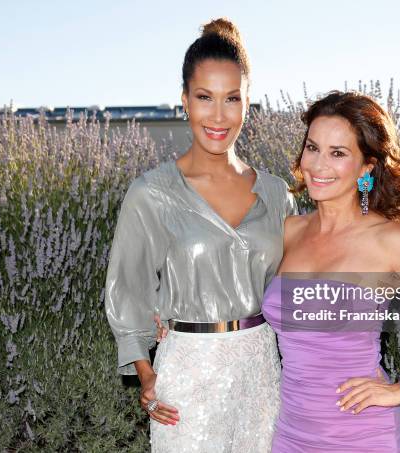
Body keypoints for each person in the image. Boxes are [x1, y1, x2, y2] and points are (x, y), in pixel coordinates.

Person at [104, 18, 297, 453]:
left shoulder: (277, 194)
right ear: (185, 101)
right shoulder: (151, 193)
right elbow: (127, 286)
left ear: (248, 102)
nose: (218, 115)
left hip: (262, 375)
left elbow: (294, 290)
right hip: (187, 378)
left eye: (232, 99)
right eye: (204, 98)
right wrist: (147, 372)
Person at [261, 91, 400, 452]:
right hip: (291, 432)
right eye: (313, 147)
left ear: (367, 167)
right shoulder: (289, 232)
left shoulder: (389, 240)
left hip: (361, 433)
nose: (318, 165)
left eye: (338, 153)